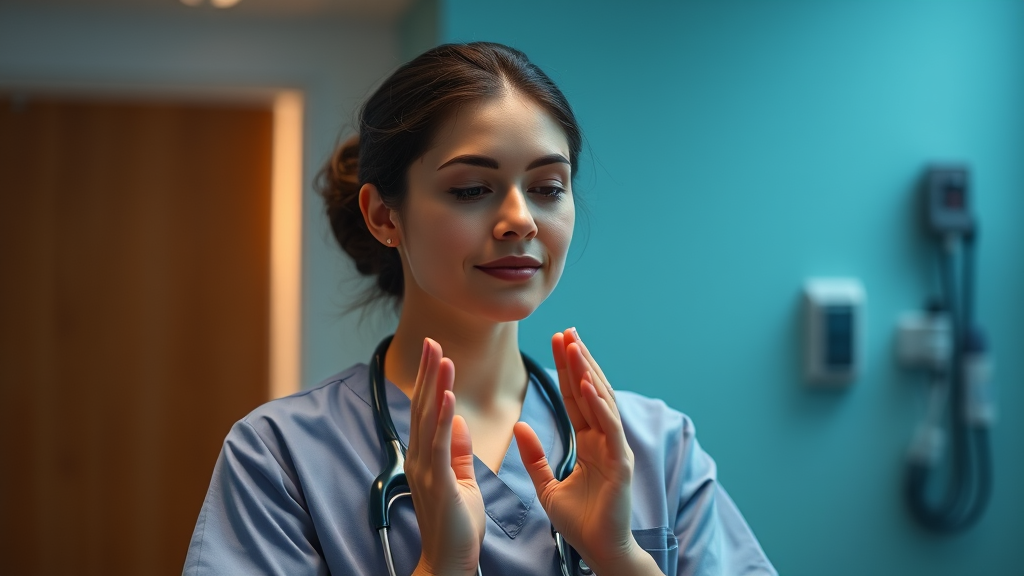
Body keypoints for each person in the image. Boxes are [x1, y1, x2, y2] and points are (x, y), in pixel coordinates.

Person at [183, 42, 776, 576]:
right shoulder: (282, 458)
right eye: (471, 189)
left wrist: (621, 560)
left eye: (548, 188)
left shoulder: (659, 450)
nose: (520, 219)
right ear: (385, 216)